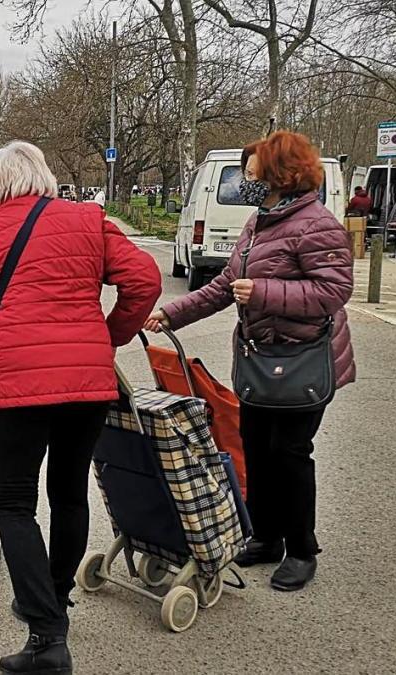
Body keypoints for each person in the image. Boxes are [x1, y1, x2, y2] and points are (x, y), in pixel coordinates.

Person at [0, 141, 161, 675]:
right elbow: (144, 280)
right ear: (43, 176)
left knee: (13, 504)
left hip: (18, 387)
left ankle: (46, 633)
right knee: (69, 492)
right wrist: (108, 336)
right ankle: (54, 599)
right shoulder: (88, 220)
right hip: (87, 385)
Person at [145, 130, 355, 592]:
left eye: (253, 172)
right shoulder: (259, 220)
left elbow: (334, 291)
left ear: (280, 174)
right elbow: (225, 284)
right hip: (260, 359)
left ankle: (301, 549)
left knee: (291, 455)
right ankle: (265, 537)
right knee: (257, 450)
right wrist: (171, 313)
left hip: (302, 359)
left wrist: (264, 292)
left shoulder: (318, 224)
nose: (246, 180)